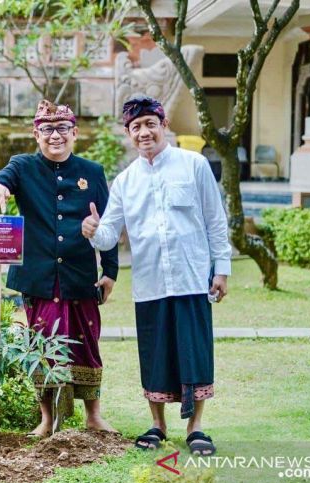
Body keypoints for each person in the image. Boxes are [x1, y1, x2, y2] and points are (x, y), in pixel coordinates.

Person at [81, 96, 231, 456]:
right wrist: (92, 229)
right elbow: (108, 235)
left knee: (194, 352)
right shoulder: (125, 182)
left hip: (192, 276)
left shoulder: (194, 165)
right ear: (129, 134)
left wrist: (221, 269)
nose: (144, 132)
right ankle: (158, 425)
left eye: (150, 123)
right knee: (155, 353)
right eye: (136, 127)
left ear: (163, 125)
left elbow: (215, 219)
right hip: (149, 282)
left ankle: (196, 428)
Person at [0, 100, 119, 437]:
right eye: (47, 130)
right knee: (42, 345)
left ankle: (93, 415)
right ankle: (47, 418)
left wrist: (110, 271)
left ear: (75, 133)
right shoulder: (23, 166)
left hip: (81, 275)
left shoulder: (92, 172)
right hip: (40, 278)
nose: (55, 136)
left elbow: (109, 224)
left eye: (62, 129)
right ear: (36, 134)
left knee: (87, 343)